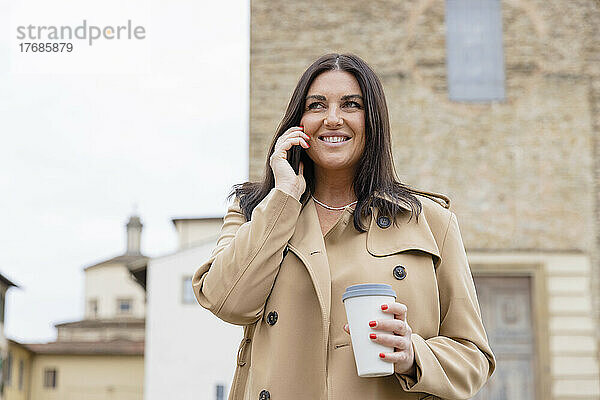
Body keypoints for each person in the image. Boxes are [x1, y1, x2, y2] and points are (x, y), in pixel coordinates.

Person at [192, 53, 496, 400]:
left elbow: (473, 358)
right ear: (299, 122)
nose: (333, 119)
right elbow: (225, 301)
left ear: (372, 121)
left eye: (351, 105)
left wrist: (414, 355)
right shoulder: (254, 210)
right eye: (317, 106)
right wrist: (284, 197)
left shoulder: (430, 222)